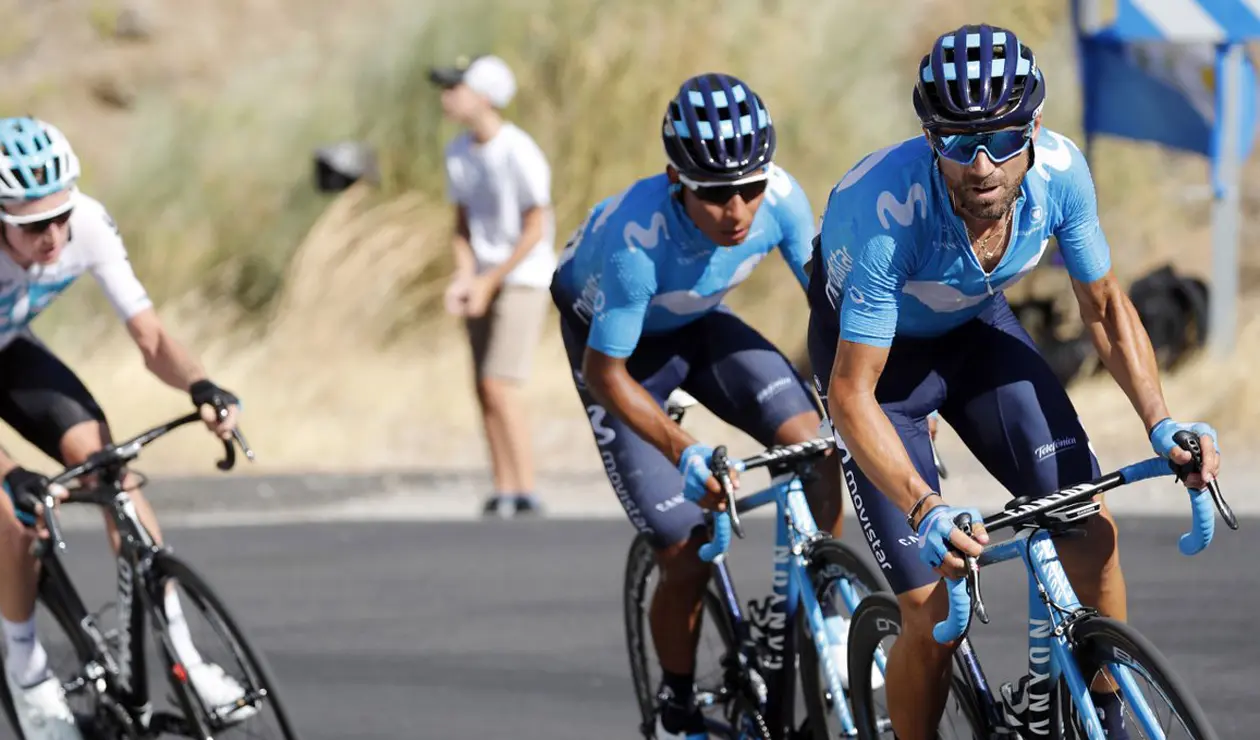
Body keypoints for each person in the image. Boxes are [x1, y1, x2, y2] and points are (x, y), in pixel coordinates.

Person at [806, 25, 1221, 740]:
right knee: (933, 612)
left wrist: (1161, 422)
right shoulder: (883, 218)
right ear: (931, 138)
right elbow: (851, 395)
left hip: (977, 334)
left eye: (1002, 139)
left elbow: (1106, 311)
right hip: (882, 373)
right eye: (960, 144)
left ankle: (1101, 716)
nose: (983, 165)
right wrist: (923, 504)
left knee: (1088, 531)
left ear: (1033, 126)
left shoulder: (1062, 174)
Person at [550, 73, 851, 740]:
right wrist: (682, 449)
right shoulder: (638, 239)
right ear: (676, 180)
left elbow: (830, 312)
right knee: (686, 548)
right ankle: (676, 703)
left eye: (751, 187)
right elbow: (606, 374)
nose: (738, 210)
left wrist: (871, 397)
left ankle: (816, 596)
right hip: (620, 358)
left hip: (697, 325)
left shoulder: (784, 201)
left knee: (819, 446)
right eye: (716, 194)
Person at [0, 117, 255, 740]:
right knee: (14, 514)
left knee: (110, 469)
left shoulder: (84, 223)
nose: (54, 236)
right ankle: (26, 672)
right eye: (34, 226)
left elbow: (152, 335)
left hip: (10, 352)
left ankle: (189, 663)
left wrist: (200, 384)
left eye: (61, 216)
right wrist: (13, 474)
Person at [429, 54, 556, 518]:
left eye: (456, 88)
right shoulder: (458, 153)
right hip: (482, 276)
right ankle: (504, 485)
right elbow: (461, 223)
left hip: (521, 277)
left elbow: (534, 228)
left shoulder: (517, 150)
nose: (447, 97)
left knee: (499, 383)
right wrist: (465, 277)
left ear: (483, 95)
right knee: (482, 386)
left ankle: (527, 486)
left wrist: (489, 280)